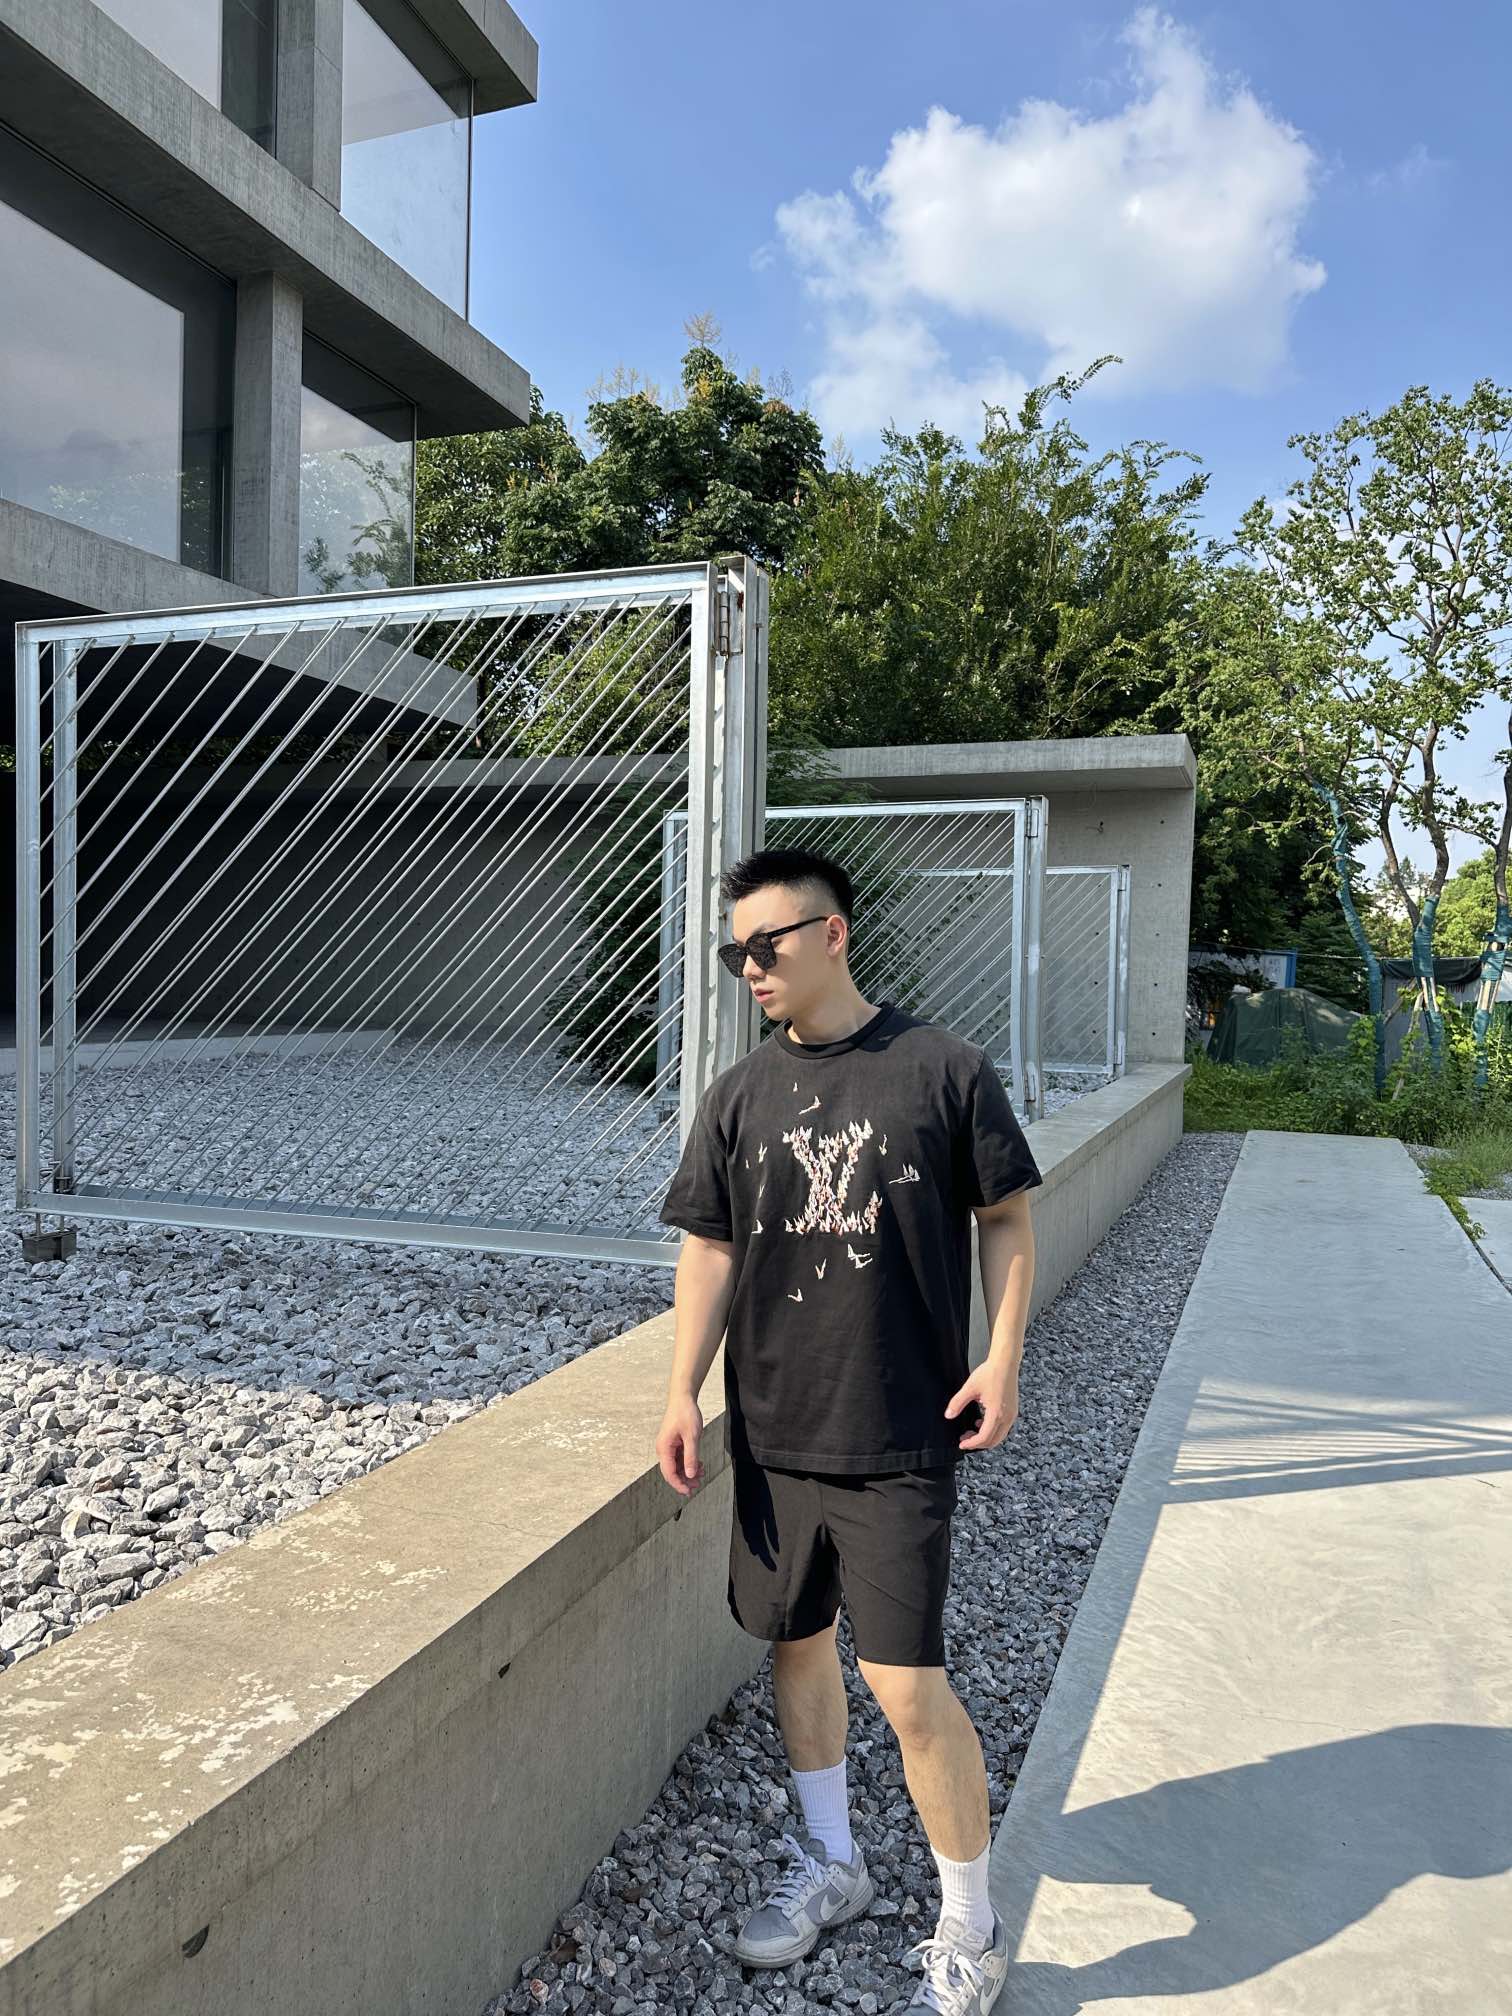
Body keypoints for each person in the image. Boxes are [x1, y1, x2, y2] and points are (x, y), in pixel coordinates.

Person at [655, 846, 1040, 2015]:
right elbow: (711, 1247)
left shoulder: (943, 1070)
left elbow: (1007, 1218)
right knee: (796, 1641)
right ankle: (834, 1863)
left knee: (909, 1687)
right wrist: (681, 1391)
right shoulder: (739, 1095)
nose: (749, 968)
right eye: (735, 952)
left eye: (765, 944)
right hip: (775, 1432)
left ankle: (971, 1925)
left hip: (900, 1432)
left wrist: (1003, 1357)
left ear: (832, 934)